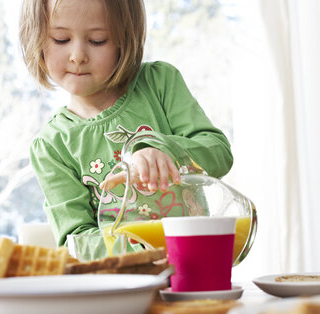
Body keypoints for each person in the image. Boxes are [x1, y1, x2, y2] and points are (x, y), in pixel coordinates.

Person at [19, 0, 234, 248]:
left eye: (98, 40)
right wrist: (139, 256)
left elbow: (219, 152)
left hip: (197, 262)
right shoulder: (51, 146)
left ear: (125, 37)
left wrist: (165, 151)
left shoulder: (159, 83)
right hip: (122, 280)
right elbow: (75, 240)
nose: (78, 56)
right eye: (60, 39)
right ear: (35, 39)